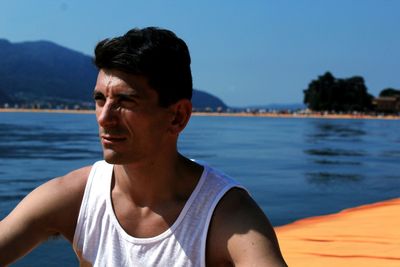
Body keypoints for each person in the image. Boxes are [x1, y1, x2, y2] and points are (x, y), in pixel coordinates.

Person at [0, 27, 287, 266]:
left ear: (177, 116)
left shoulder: (226, 216)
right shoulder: (74, 198)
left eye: (125, 101)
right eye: (100, 99)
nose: (104, 117)